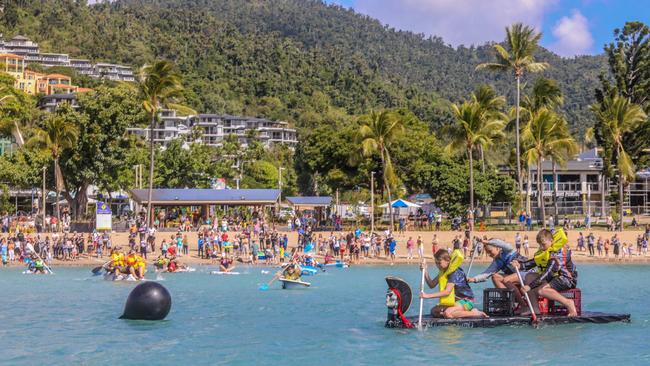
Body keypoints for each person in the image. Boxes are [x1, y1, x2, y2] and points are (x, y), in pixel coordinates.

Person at [513, 228, 578, 317]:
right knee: (529, 276)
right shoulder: (545, 251)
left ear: (551, 241)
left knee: (541, 290)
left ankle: (568, 303)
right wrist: (520, 265)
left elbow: (547, 274)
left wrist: (530, 286)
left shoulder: (556, 255)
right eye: (540, 245)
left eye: (543, 244)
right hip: (553, 278)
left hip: (566, 279)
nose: (541, 247)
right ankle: (535, 308)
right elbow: (532, 263)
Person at [419, 249, 488, 319]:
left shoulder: (454, 272)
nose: (437, 266)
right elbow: (431, 284)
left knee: (447, 313)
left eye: (439, 263)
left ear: (448, 261)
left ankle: (475, 313)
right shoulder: (443, 272)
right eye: (436, 263)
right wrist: (425, 271)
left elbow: (447, 292)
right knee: (434, 311)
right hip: (454, 302)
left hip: (466, 301)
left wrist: (427, 296)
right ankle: (456, 313)